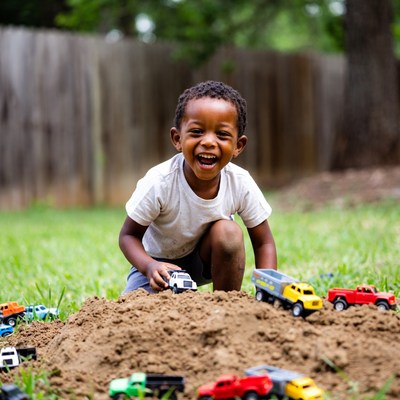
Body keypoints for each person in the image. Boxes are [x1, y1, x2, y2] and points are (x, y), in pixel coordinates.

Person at [119, 80, 277, 294]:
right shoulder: (160, 181)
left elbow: (264, 243)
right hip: (159, 266)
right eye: (196, 132)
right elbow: (128, 236)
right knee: (135, 317)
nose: (209, 142)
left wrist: (268, 289)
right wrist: (149, 267)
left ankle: (226, 305)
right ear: (177, 139)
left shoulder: (239, 182)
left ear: (238, 146)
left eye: (222, 135)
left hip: (205, 261)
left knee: (229, 232)